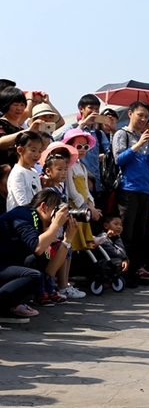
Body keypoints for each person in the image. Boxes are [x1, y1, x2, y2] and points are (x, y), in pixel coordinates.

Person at [0, 191, 78, 323]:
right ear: (43, 206)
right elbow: (37, 247)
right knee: (34, 276)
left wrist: (67, 240)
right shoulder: (24, 214)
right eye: (57, 209)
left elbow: (50, 270)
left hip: (5, 263)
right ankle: (4, 306)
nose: (60, 215)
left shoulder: (40, 226)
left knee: (38, 261)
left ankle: (11, 303)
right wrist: (55, 225)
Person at [112, 101, 149, 283]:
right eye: (140, 115)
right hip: (128, 189)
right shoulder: (121, 134)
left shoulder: (146, 137)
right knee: (126, 233)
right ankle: (122, 272)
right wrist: (138, 144)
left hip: (144, 191)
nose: (143, 119)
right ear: (130, 114)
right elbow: (119, 159)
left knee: (140, 234)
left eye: (146, 117)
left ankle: (134, 270)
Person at [6, 132, 44, 211]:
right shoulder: (17, 173)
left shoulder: (34, 171)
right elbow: (22, 203)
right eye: (33, 150)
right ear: (20, 150)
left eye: (40, 151)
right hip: (22, 218)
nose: (37, 155)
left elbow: (39, 196)